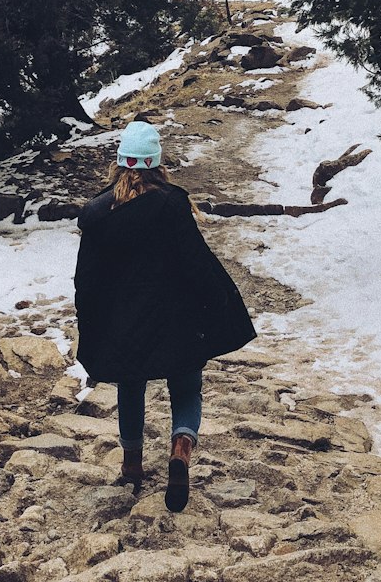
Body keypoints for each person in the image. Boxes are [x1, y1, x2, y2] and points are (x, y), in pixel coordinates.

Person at [74, 120, 256, 512]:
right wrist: (217, 305)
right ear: (158, 163)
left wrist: (90, 323)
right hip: (177, 318)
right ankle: (180, 449)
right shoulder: (173, 205)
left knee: (131, 385)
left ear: (119, 164)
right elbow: (197, 264)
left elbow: (86, 279)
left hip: (125, 323)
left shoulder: (99, 215)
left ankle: (132, 465)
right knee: (187, 385)